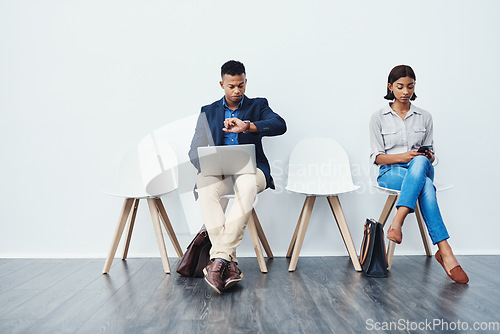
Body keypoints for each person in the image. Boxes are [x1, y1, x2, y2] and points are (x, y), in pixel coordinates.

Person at [188, 60, 286, 293]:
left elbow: (279, 125)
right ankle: (228, 262)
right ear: (222, 84)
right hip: (219, 172)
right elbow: (193, 151)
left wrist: (248, 126)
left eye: (241, 85)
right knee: (205, 187)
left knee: (248, 184)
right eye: (231, 86)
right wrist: (210, 163)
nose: (237, 91)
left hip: (252, 170)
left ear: (245, 82)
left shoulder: (258, 105)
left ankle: (218, 260)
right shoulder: (208, 111)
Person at [369, 65, 468, 284]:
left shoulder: (425, 116)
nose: (405, 91)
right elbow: (376, 157)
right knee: (426, 187)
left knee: (421, 161)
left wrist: (427, 156)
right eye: (400, 87)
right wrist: (404, 157)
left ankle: (398, 221)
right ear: (390, 87)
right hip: (391, 172)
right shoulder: (378, 117)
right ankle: (445, 250)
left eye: (410, 86)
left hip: (422, 167)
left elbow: (431, 153)